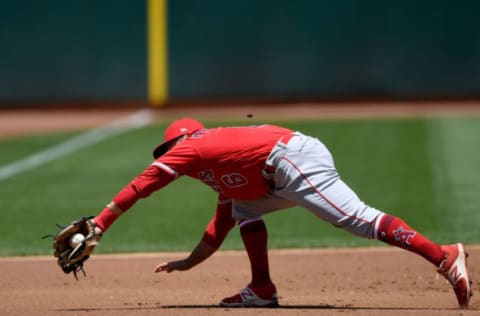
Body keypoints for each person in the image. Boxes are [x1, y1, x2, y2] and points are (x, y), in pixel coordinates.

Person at [89, 118, 472, 308]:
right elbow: (222, 223)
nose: (168, 154)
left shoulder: (196, 146)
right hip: (280, 171)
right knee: (244, 209)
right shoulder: (218, 170)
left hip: (292, 159)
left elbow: (145, 182)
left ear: (182, 140)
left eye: (169, 147)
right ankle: (262, 288)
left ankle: (443, 256)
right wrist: (188, 263)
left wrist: (100, 223)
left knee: (356, 219)